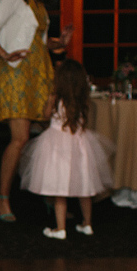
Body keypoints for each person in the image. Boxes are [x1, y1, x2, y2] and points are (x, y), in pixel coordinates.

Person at [0, 0, 71, 223]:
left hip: (40, 72)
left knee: (49, 133)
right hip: (16, 74)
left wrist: (59, 42)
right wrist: (4, 54)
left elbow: (38, 42)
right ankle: (3, 197)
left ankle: (47, 191)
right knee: (19, 138)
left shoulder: (37, 0)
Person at [18, 59, 113, 239]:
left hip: (57, 147)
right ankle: (87, 224)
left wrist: (48, 103)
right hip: (80, 145)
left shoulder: (55, 99)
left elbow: (46, 116)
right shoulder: (82, 101)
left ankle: (60, 229)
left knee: (59, 189)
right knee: (85, 188)